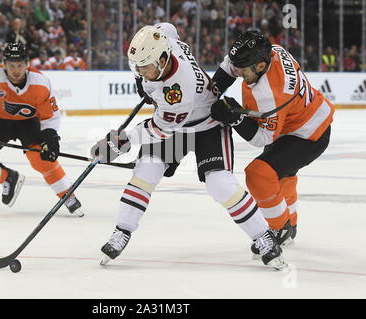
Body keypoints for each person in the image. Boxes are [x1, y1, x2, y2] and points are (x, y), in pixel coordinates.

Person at [90, 24, 286, 270]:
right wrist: (143, 77)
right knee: (146, 170)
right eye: (136, 66)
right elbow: (167, 28)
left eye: (145, 66)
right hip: (177, 125)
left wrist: (122, 142)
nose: (140, 71)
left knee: (220, 184)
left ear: (162, 61)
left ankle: (263, 236)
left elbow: (160, 129)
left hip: (208, 126)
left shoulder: (179, 91)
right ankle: (123, 231)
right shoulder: (165, 43)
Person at [209, 31, 334, 258]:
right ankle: (290, 223)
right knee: (281, 174)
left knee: (260, 175)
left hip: (309, 134)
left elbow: (263, 138)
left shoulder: (271, 94)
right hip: (300, 120)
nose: (237, 74)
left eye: (242, 70)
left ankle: (280, 228)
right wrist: (208, 95)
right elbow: (230, 66)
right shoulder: (270, 51)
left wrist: (236, 116)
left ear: (260, 66)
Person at [0, 42, 84, 216]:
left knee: (42, 159)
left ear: (27, 64)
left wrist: (50, 137)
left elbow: (50, 117)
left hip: (28, 122)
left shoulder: (41, 83)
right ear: (4, 64)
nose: (16, 70)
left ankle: (68, 196)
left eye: (20, 65)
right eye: (11, 65)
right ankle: (8, 178)